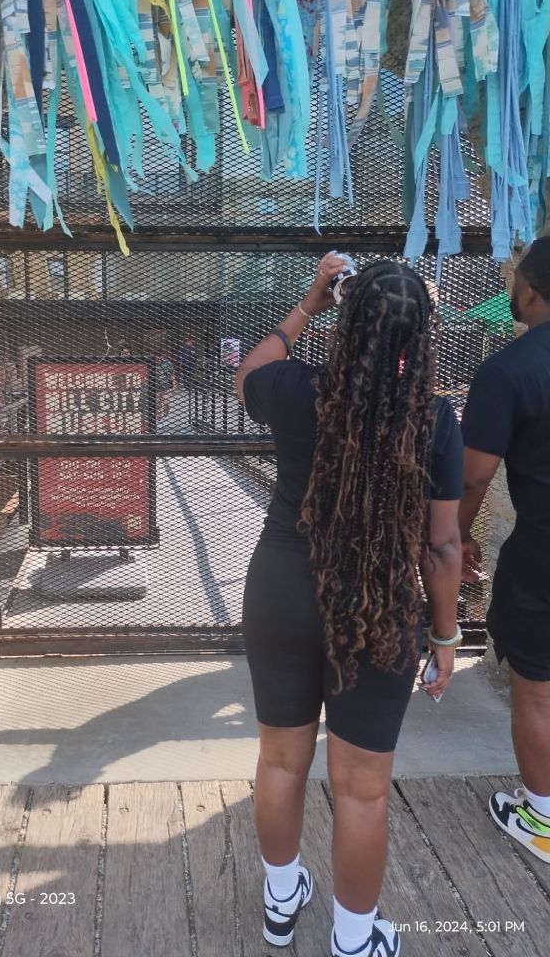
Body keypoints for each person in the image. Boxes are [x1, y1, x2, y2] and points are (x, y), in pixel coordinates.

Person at [235, 254, 464, 956]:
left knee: (280, 761)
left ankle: (282, 901)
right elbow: (443, 547)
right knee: (363, 790)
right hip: (378, 606)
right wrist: (445, 637)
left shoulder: (295, 390)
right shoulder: (433, 420)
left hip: (280, 592)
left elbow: (248, 372)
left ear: (346, 318)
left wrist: (308, 303)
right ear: (422, 336)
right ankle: (355, 940)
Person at [458, 236, 550, 864]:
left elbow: (472, 478)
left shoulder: (508, 370)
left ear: (532, 290)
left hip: (542, 557)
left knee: (537, 687)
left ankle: (541, 817)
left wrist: (456, 536)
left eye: (515, 276)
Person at [155, 351, 176, 421]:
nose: (158, 359)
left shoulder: (167, 364)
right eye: (157, 358)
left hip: (165, 387)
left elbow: (172, 375)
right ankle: (159, 415)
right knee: (157, 403)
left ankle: (166, 411)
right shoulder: (151, 363)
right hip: (155, 387)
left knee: (166, 403)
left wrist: (174, 385)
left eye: (160, 358)